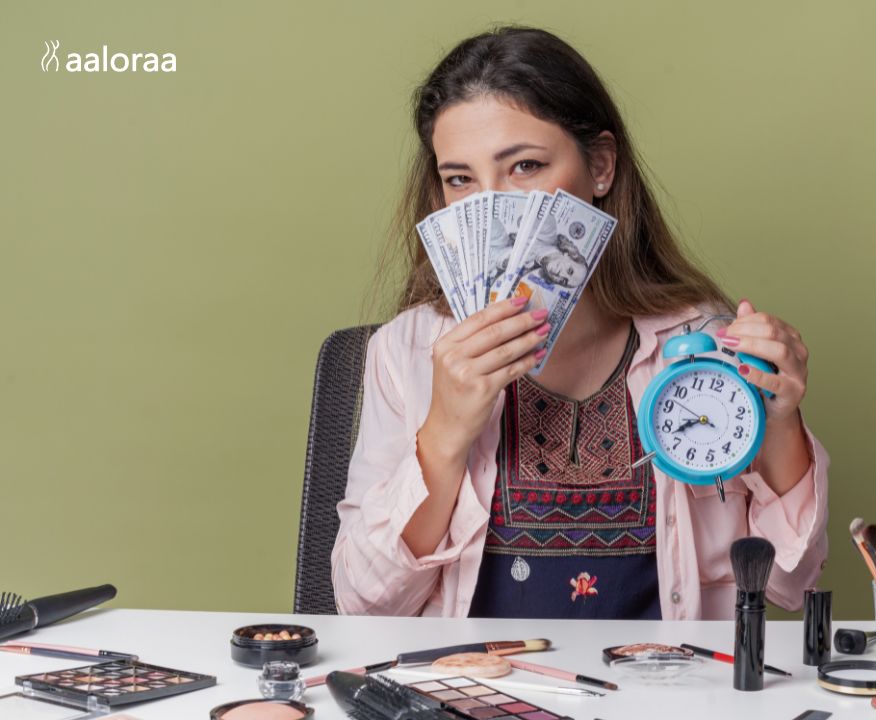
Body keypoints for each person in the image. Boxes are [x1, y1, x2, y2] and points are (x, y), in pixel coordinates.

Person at [331, 26, 829, 620]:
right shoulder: (408, 350)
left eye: (525, 166)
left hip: (665, 695)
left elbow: (789, 581)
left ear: (600, 167)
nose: (492, 209)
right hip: (476, 693)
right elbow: (363, 605)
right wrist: (441, 436)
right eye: (460, 178)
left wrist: (779, 419)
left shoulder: (702, 344)